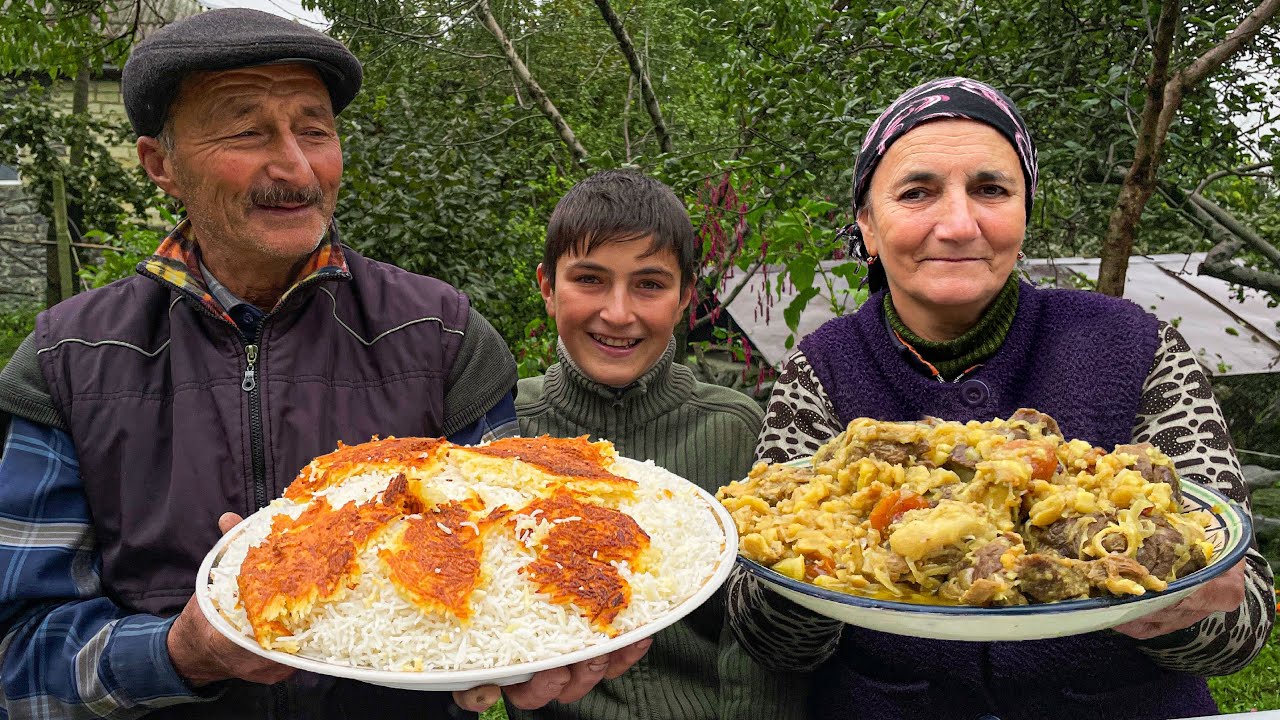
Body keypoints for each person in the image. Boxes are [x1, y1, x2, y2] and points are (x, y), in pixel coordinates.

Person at [0, 9, 644, 719]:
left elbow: (519, 554)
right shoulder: (70, 360)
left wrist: (552, 640)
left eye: (314, 130)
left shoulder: (441, 336)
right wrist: (179, 652)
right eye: (248, 130)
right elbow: (18, 654)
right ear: (162, 165)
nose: (296, 167)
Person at [726, 77, 1276, 720]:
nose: (959, 224)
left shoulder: (1139, 346)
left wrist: (1179, 606)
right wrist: (802, 572)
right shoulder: (820, 368)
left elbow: (1248, 614)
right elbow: (767, 638)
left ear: (1023, 212)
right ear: (868, 229)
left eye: (990, 190)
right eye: (916, 192)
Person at [512, 169, 809, 720]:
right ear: (548, 288)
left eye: (649, 284)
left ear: (684, 300)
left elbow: (760, 637)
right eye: (590, 280)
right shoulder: (507, 434)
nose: (619, 313)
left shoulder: (736, 429)